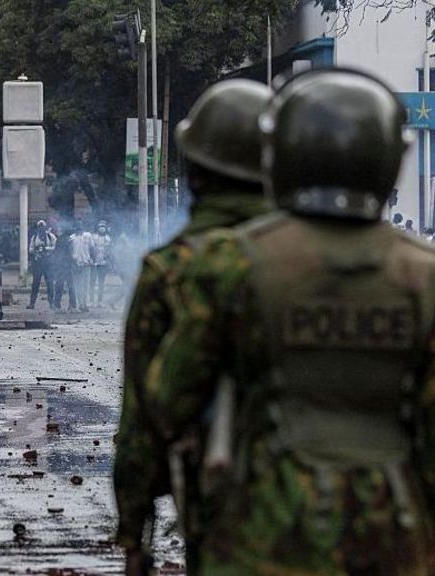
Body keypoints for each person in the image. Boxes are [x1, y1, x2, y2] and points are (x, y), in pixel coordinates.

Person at [146, 69, 435, 574]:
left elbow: (170, 400)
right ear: (390, 161)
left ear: (281, 157)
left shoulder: (230, 263)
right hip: (395, 539)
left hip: (259, 535)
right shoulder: (426, 278)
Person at [112, 79, 273, 576]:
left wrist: (135, 533)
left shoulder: (176, 269)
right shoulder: (364, 265)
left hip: (230, 515)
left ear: (196, 171)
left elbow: (144, 420)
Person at [27, 219, 56, 309]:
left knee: (50, 284)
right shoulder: (34, 237)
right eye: (39, 227)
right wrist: (36, 250)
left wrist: (46, 248)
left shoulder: (51, 236)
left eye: (42, 227)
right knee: (35, 284)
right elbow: (30, 249)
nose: (41, 229)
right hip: (38, 263)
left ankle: (51, 303)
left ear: (45, 227)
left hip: (48, 263)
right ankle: (32, 303)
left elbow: (55, 247)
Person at [50, 221, 76, 311]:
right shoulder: (69, 240)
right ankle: (72, 306)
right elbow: (71, 253)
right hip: (67, 266)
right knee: (71, 287)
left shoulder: (59, 239)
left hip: (61, 266)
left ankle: (56, 305)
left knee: (59, 286)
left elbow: (56, 253)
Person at [70, 222, 94, 312]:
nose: (78, 229)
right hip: (76, 264)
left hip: (86, 263)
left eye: (80, 227)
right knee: (77, 286)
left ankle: (85, 304)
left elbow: (92, 248)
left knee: (86, 285)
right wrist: (73, 262)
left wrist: (92, 259)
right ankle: (79, 304)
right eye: (77, 227)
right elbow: (70, 251)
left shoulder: (88, 236)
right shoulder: (72, 238)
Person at [90, 220, 112, 307]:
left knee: (101, 283)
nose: (102, 229)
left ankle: (100, 301)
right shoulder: (93, 237)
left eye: (103, 227)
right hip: (94, 263)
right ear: (97, 228)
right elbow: (91, 249)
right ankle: (91, 301)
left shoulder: (108, 238)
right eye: (100, 227)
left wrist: (108, 258)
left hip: (103, 263)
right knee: (92, 282)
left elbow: (109, 251)